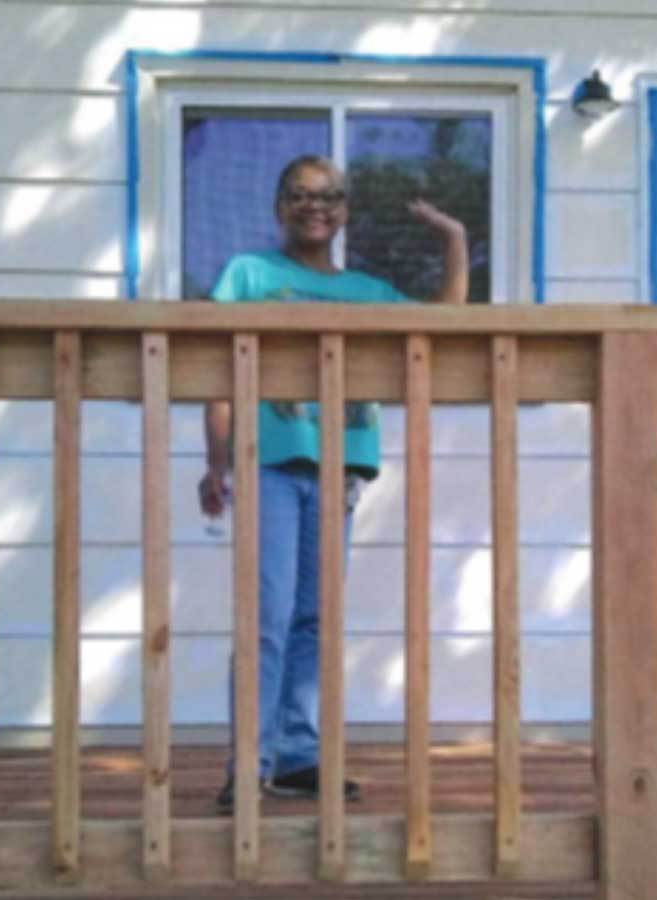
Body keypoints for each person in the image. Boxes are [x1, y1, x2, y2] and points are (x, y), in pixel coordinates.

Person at [202, 154, 468, 812]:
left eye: (328, 196)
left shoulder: (369, 294)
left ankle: (296, 756)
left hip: (338, 469)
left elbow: (446, 323)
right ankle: (249, 764)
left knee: (314, 620)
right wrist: (217, 459)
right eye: (298, 194)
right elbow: (216, 372)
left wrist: (455, 240)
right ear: (278, 208)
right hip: (269, 461)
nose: (313, 205)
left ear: (344, 210)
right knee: (264, 618)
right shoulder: (250, 275)